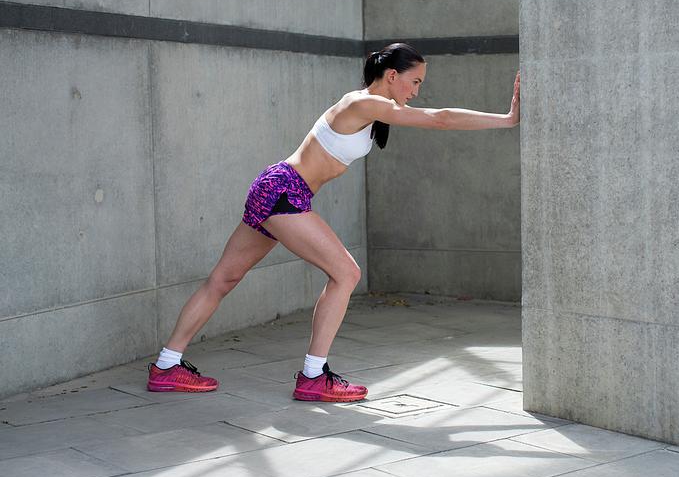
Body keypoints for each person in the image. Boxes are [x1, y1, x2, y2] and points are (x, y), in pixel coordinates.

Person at [146, 42, 520, 402]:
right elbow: (440, 120)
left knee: (223, 279)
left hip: (277, 188)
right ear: (392, 75)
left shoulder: (371, 108)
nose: (417, 91)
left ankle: (166, 366)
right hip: (284, 192)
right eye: (416, 81)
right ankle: (313, 376)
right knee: (346, 273)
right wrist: (507, 120)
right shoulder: (363, 102)